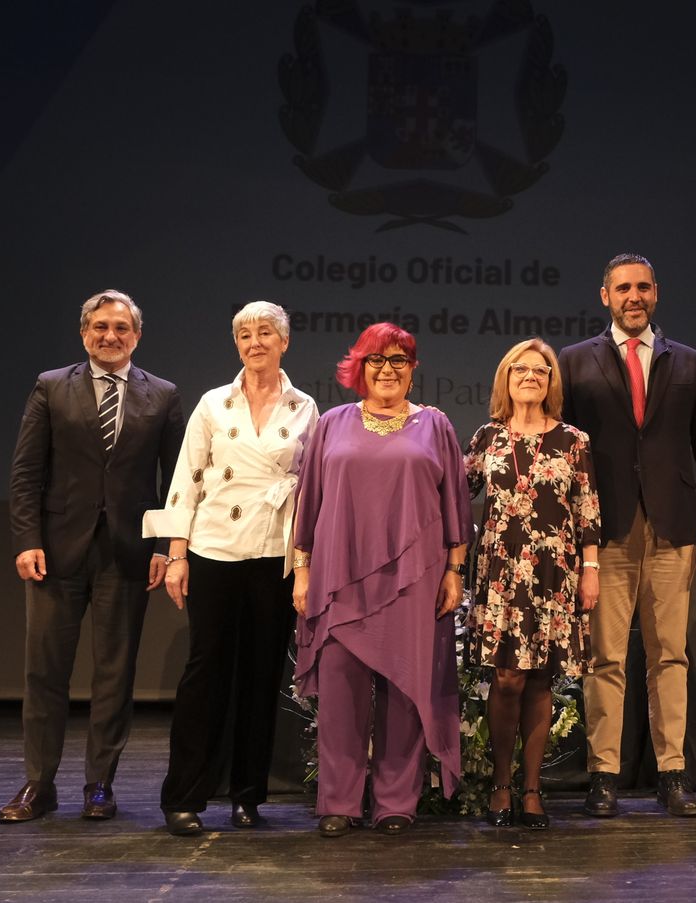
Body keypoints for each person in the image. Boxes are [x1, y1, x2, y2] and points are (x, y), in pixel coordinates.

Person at [1, 289, 185, 823]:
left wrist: (163, 547)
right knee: (45, 673)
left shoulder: (164, 395)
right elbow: (26, 474)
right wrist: (26, 539)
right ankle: (38, 784)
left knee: (115, 674)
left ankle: (99, 784)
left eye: (121, 328)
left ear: (137, 336)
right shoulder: (52, 387)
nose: (111, 336)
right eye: (101, 327)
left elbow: (173, 481)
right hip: (56, 552)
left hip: (127, 554)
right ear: (84, 333)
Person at [557, 253, 696, 818]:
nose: (634, 296)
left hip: (675, 527)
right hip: (605, 531)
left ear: (656, 294)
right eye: (623, 288)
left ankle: (671, 773)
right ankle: (603, 775)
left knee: (670, 657)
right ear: (604, 296)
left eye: (643, 287)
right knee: (605, 658)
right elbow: (565, 452)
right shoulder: (574, 361)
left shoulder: (689, 362)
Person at [142, 301, 319, 836]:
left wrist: (306, 564)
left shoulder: (303, 406)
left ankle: (248, 795)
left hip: (273, 555)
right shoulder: (213, 404)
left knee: (262, 676)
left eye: (266, 332)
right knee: (206, 673)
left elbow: (310, 490)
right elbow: (186, 478)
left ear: (284, 342)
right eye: (245, 334)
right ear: (236, 344)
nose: (255, 341)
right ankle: (185, 795)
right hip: (214, 548)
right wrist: (176, 555)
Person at [291, 323, 472, 837]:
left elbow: (455, 506)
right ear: (359, 367)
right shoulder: (332, 423)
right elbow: (310, 502)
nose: (387, 369)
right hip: (338, 576)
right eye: (377, 359)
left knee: (405, 689)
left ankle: (396, 803)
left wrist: (455, 571)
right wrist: (302, 570)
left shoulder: (436, 425)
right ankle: (340, 804)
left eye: (399, 360)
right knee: (342, 693)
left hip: (415, 576)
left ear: (413, 369)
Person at [464, 339, 602, 829]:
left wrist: (591, 570)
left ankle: (530, 787)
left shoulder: (573, 440)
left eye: (540, 371)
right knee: (506, 679)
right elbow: (453, 500)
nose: (530, 377)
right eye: (520, 370)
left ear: (551, 382)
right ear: (506, 378)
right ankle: (500, 782)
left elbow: (587, 513)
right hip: (501, 574)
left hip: (554, 573)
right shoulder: (487, 439)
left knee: (542, 678)